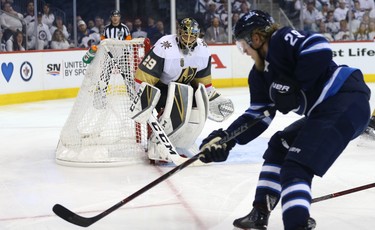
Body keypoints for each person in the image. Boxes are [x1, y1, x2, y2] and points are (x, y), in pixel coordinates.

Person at [198, 10, 371, 230]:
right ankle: (260, 212)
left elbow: (319, 47)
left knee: (296, 168)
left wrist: (294, 84)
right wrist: (226, 139)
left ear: (257, 38)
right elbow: (257, 116)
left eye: (244, 45)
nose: (244, 52)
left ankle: (296, 224)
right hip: (324, 112)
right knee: (279, 145)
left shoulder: (281, 40)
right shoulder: (259, 75)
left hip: (345, 100)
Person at [130, 17, 234, 163]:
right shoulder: (165, 46)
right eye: (186, 35)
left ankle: (184, 143)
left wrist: (210, 95)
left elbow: (203, 81)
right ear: (179, 33)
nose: (189, 39)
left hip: (184, 88)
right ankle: (157, 143)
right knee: (177, 104)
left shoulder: (203, 48)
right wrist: (144, 98)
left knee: (198, 105)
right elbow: (144, 76)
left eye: (193, 36)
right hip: (162, 87)